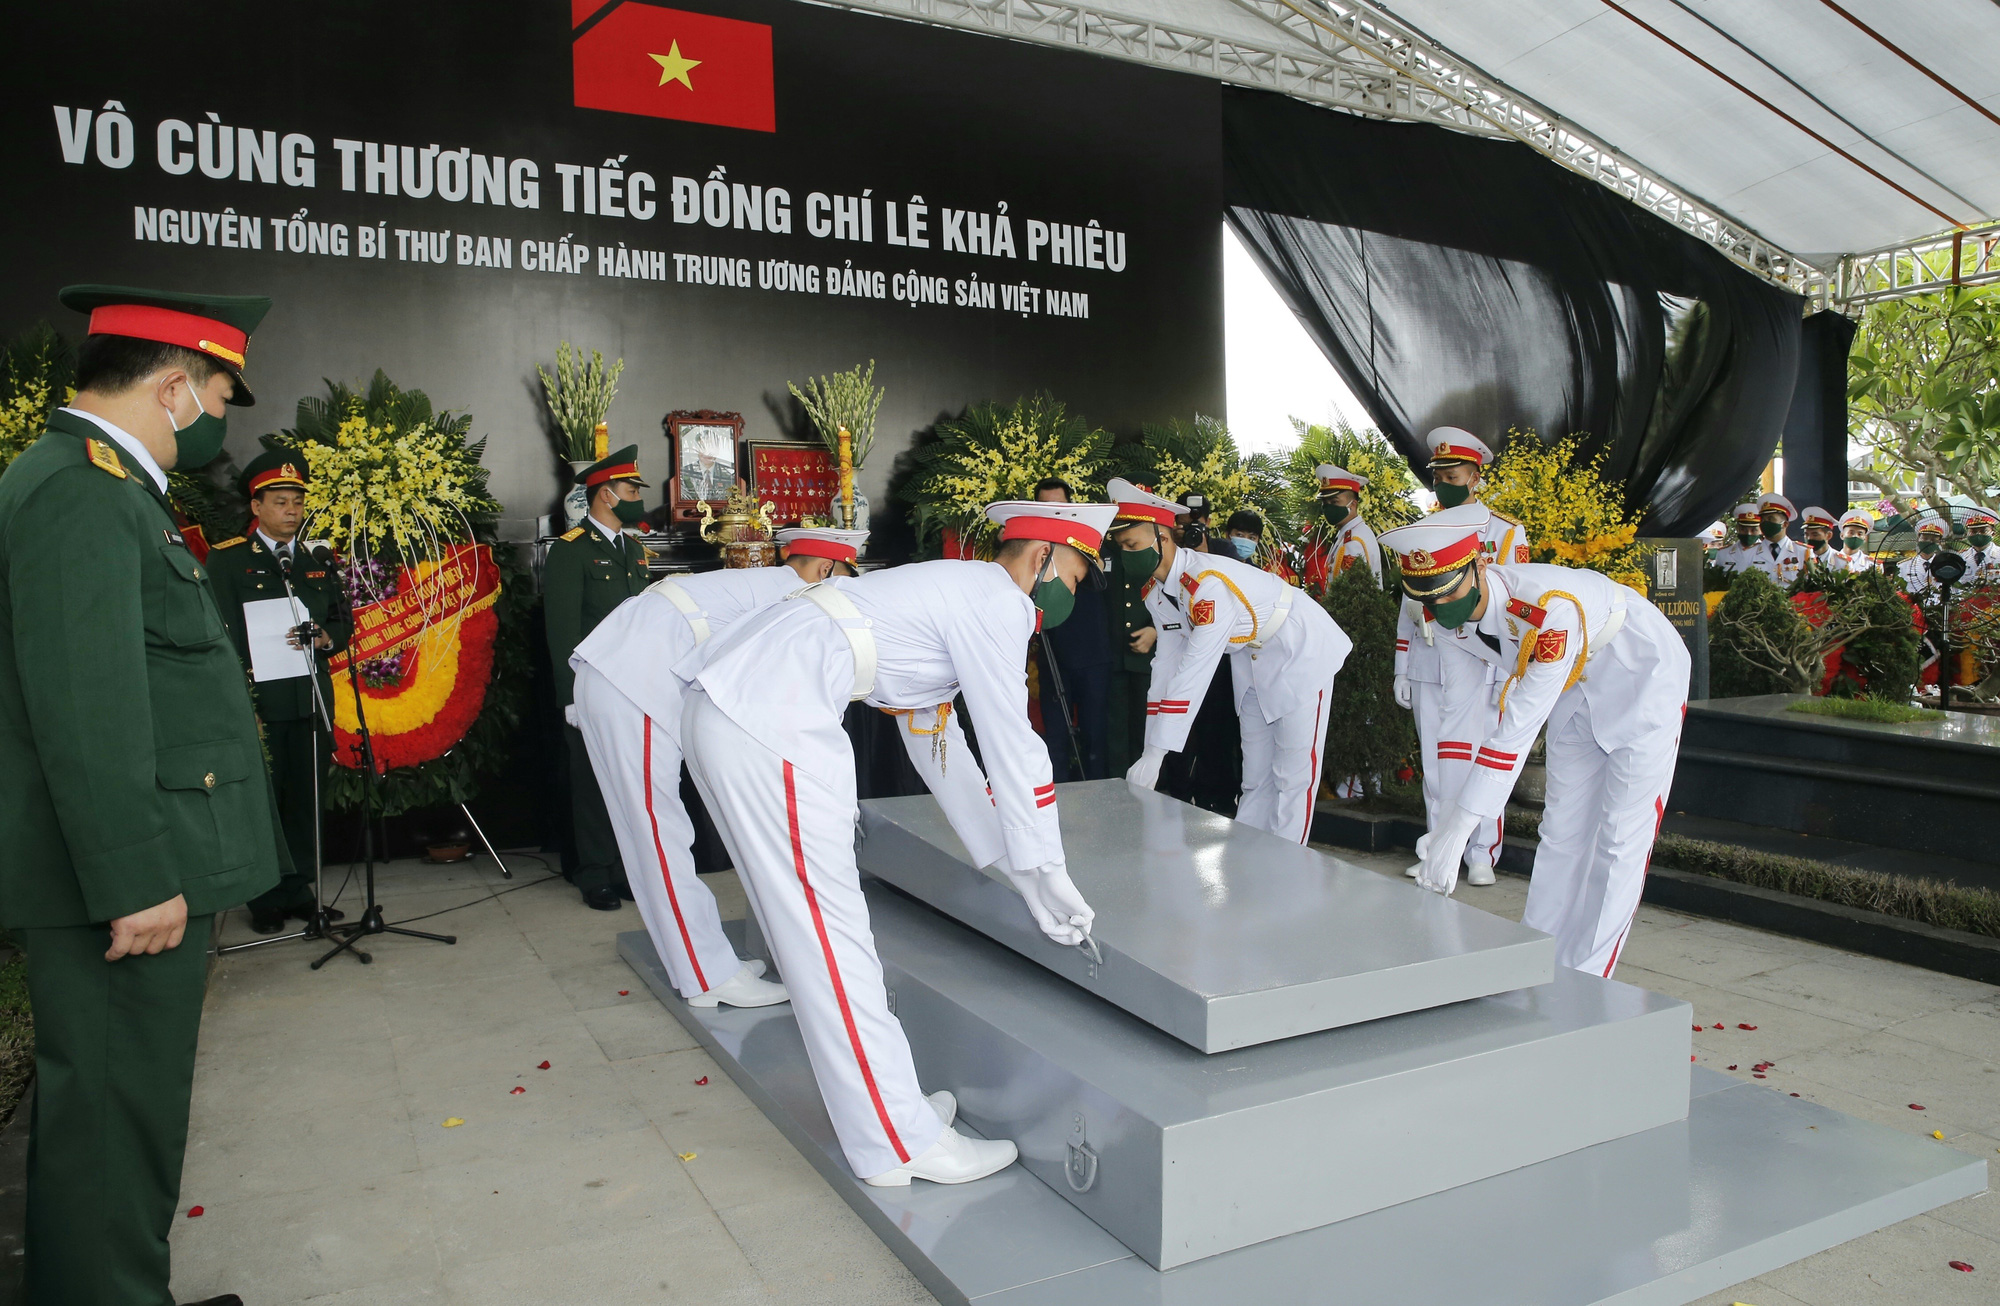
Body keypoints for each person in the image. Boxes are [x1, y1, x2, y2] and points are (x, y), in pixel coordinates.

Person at [677, 499, 1115, 1187]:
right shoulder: (996, 602)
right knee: (832, 939)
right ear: (1042, 558)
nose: (1077, 592)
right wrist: (1051, 866)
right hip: (768, 722)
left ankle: (892, 1113)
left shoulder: (954, 590)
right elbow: (1014, 744)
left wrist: (1020, 871)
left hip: (733, 712)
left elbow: (939, 744)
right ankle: (896, 1142)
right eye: (1079, 575)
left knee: (821, 938)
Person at [0, 284, 286, 1306]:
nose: (218, 416)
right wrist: (135, 876)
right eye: (218, 390)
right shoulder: (83, 490)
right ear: (172, 386)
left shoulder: (107, 486)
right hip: (124, 876)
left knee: (128, 1108)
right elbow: (84, 705)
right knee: (114, 1112)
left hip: (139, 859)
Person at [1381, 505, 1690, 976]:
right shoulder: (1446, 619)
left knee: (1619, 839)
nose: (1439, 609)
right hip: (1575, 691)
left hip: (1639, 675)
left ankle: (1588, 978)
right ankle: (1537, 962)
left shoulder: (1548, 611)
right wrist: (1447, 827)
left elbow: (1515, 730)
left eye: (1447, 594)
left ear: (1480, 566)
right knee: (1560, 830)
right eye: (1427, 599)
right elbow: (1460, 727)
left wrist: (1464, 825)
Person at [569, 527, 868, 1008]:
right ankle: (708, 977)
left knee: (653, 834)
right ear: (827, 569)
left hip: (619, 679)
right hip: (634, 684)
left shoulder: (762, 584)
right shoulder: (791, 598)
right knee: (659, 837)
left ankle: (701, 962)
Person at [1110, 479, 1353, 842]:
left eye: (1132, 544)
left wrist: (1159, 752)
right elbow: (1166, 666)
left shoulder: (1206, 585)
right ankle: (1252, 858)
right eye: (1121, 546)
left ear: (1162, 536)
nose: (1127, 554)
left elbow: (1195, 669)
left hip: (1298, 648)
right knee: (1255, 774)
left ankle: (1288, 868)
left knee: (1294, 773)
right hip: (1252, 657)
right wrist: (1150, 751)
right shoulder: (1157, 593)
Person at [208, 446, 354, 933]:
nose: (291, 511)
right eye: (280, 502)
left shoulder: (317, 558)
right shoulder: (228, 561)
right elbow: (217, 632)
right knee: (264, 799)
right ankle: (265, 896)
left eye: (297, 502)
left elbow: (341, 622)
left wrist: (327, 637)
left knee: (306, 797)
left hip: (310, 698)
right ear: (256, 507)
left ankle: (301, 891)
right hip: (259, 703)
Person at [1393, 428, 1530, 886]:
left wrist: (1511, 671)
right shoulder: (1421, 532)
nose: (1444, 484)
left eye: (1453, 475)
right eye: (1439, 477)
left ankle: (1481, 852)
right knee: (1436, 761)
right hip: (1430, 661)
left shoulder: (1507, 534)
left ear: (1475, 478)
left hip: (1484, 664)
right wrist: (1401, 665)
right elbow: (1407, 603)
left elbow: (1516, 601)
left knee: (1483, 757)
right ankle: (1438, 847)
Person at [545, 446, 654, 910]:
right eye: (631, 491)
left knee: (627, 780)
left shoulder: (633, 549)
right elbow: (562, 629)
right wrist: (569, 696)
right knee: (591, 783)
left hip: (632, 686)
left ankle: (622, 868)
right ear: (606, 495)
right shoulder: (571, 552)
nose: (637, 499)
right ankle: (595, 873)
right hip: (591, 685)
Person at [1030, 478, 1114, 780]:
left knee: (1096, 735)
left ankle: (1101, 797)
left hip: (1093, 654)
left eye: (1059, 506)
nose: (1053, 511)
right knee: (1055, 739)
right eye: (1046, 506)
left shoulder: (1088, 537)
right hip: (1053, 653)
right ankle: (1057, 800)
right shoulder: (1029, 544)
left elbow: (1099, 579)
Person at [1302, 464, 1381, 587]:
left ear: (1353, 504)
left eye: (1334, 502)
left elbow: (1350, 593)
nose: (1328, 507)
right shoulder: (1349, 533)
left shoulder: (1354, 541)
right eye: (1325, 503)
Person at [1750, 492, 1808, 585]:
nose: (1765, 523)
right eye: (1763, 520)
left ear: (1785, 524)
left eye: (1770, 519)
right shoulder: (1750, 552)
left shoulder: (1803, 552)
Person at [1898, 516, 1948, 596]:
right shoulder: (1904, 566)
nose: (1928, 542)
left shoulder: (1945, 566)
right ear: (1918, 540)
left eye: (1933, 540)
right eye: (1925, 538)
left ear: (1939, 542)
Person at [1712, 503, 1766, 576]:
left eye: (1753, 530)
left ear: (1761, 530)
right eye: (1744, 530)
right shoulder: (1723, 553)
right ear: (1738, 529)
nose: (1748, 534)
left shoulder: (1768, 552)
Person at [1832, 509, 1877, 574]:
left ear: (1864, 538)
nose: (1855, 536)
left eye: (1860, 534)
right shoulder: (1831, 560)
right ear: (1842, 535)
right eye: (1851, 533)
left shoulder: (1872, 564)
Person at [1798, 506, 1840, 570]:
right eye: (1806, 534)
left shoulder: (1841, 562)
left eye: (1815, 535)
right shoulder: (1798, 558)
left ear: (1829, 535)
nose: (1809, 538)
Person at [1965, 511, 2000, 583]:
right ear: (1967, 534)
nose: (1978, 534)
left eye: (1983, 531)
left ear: (1993, 534)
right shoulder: (1960, 557)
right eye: (1973, 532)